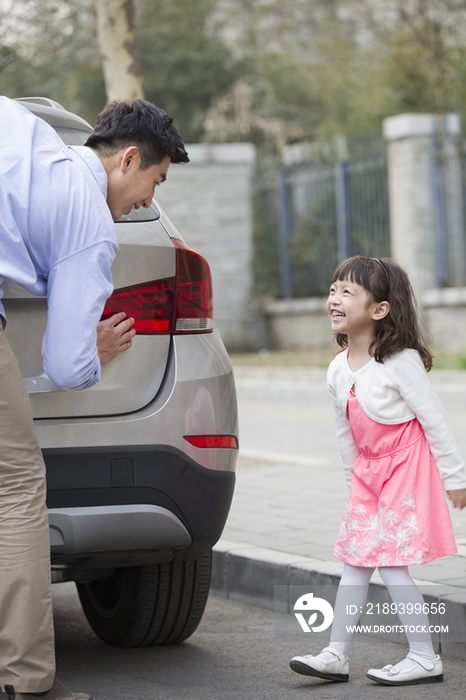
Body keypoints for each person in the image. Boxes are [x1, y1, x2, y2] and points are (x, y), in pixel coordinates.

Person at [0, 96, 189, 700]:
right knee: (17, 486)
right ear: (128, 159)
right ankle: (27, 681)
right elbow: (65, 363)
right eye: (153, 182)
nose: (148, 203)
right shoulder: (89, 225)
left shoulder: (22, 128)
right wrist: (94, 352)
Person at [289, 255, 466, 686]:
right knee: (355, 560)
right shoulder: (336, 369)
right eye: (333, 290)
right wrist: (356, 488)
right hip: (369, 477)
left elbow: (435, 421)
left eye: (348, 292)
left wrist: (456, 478)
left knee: (390, 563)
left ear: (379, 309)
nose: (334, 298)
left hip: (406, 467)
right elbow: (345, 433)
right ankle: (335, 654)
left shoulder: (399, 362)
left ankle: (425, 657)